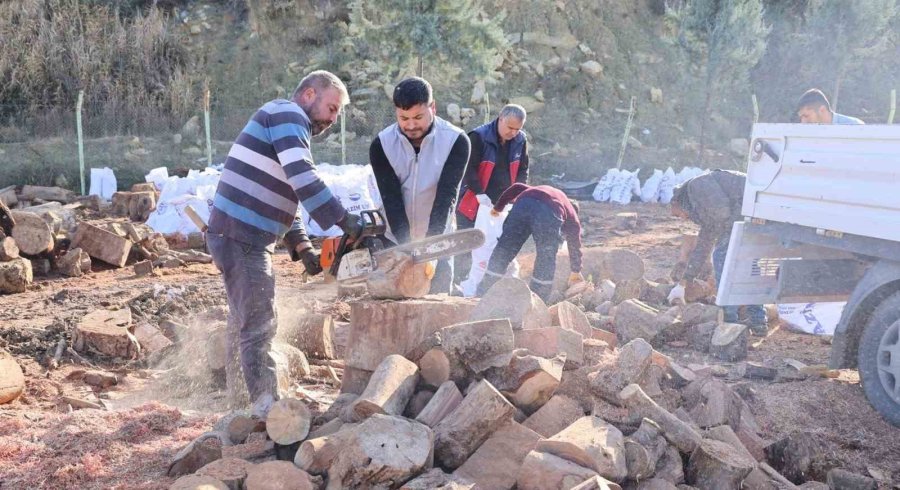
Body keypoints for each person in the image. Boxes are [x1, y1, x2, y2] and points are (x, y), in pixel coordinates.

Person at [206, 70, 364, 419]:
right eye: (332, 108)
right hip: (242, 234)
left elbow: (287, 192)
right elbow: (303, 177)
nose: (333, 120)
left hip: (241, 234)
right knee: (261, 320)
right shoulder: (288, 114)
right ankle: (267, 409)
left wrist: (303, 248)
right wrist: (343, 219)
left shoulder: (282, 124)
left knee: (245, 320)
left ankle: (242, 405)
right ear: (309, 94)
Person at [369, 77, 471, 294]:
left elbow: (447, 197)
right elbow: (391, 198)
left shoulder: (456, 141)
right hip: (394, 237)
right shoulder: (382, 145)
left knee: (438, 299)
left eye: (418, 117)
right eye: (403, 118)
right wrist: (406, 247)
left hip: (438, 234)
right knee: (394, 302)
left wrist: (430, 246)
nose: (411, 125)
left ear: (432, 107)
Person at [667, 169, 767, 334]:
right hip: (755, 213)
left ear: (676, 202)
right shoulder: (699, 197)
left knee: (723, 259)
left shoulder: (696, 186)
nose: (684, 219)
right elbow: (703, 245)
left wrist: (714, 236)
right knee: (751, 266)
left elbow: (721, 214)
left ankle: (729, 320)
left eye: (679, 215)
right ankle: (758, 322)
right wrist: (683, 283)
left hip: (745, 215)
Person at [454, 104, 530, 283]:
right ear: (501, 118)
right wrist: (479, 192)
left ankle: (490, 281)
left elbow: (523, 169)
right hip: (474, 200)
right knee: (468, 240)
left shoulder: (520, 140)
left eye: (518, 129)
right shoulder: (479, 137)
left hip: (503, 202)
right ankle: (460, 280)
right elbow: (468, 168)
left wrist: (517, 192)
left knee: (498, 241)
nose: (513, 132)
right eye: (510, 127)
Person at [476, 183, 584, 302]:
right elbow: (574, 243)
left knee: (505, 248)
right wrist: (576, 270)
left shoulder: (542, 190)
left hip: (523, 204)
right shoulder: (572, 217)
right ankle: (538, 300)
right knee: (545, 256)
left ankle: (484, 293)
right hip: (548, 212)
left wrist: (498, 207)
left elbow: (516, 187)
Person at [795, 89, 864, 125]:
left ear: (822, 110)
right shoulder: (805, 134)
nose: (803, 122)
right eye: (801, 118)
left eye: (806, 116)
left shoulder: (855, 126)